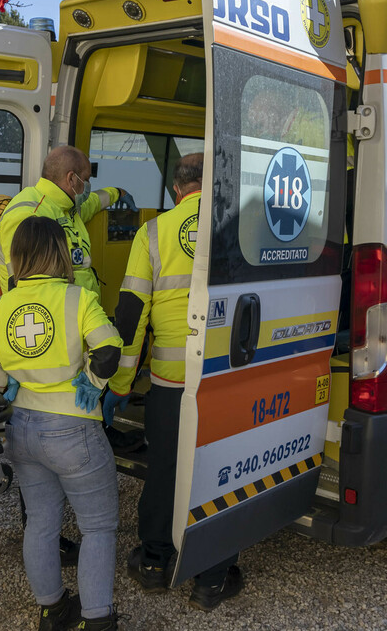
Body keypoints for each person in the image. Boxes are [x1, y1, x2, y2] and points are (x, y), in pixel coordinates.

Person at [0, 216, 124, 631]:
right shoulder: (78, 299)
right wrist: (93, 382)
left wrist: (5, 381)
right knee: (98, 527)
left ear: (18, 258)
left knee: (41, 522)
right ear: (60, 252)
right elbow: (107, 352)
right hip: (73, 429)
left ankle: (52, 610)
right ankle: (97, 620)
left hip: (21, 429)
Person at [109, 153, 245, 612]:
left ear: (176, 190)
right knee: (220, 474)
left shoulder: (153, 231)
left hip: (170, 384)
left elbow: (131, 314)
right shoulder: (241, 226)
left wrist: (122, 383)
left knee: (165, 470)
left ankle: (153, 563)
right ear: (217, 184)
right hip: (224, 379)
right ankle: (211, 577)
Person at [0, 145, 135, 297]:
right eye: (86, 179)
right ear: (72, 179)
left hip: (78, 310)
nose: (88, 186)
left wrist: (117, 192)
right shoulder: (27, 216)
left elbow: (94, 202)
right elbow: (23, 287)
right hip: (53, 315)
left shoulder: (69, 207)